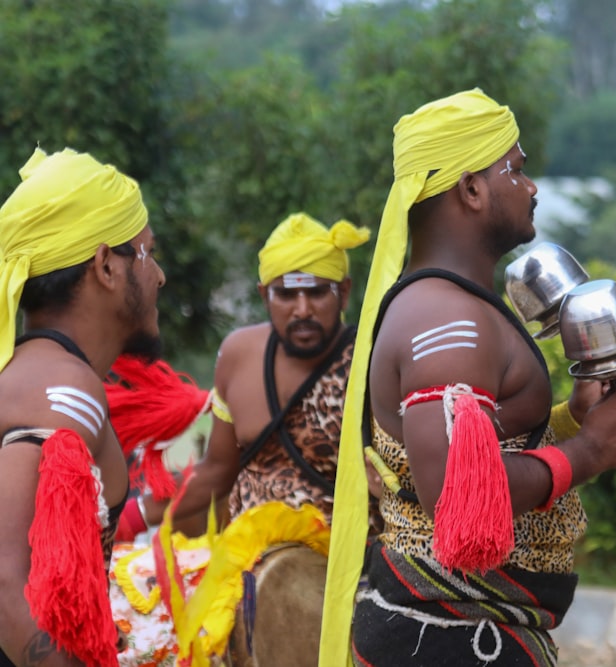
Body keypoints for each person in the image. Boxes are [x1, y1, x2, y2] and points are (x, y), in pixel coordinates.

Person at [318, 89, 616, 666]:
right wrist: (590, 450)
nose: (532, 187)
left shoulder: (453, 307)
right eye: (516, 170)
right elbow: (453, 491)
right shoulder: (449, 320)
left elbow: (479, 446)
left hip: (461, 630)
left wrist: (574, 417)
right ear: (471, 189)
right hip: (450, 637)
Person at [114, 211, 378, 539]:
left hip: (353, 569)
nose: (302, 309)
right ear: (263, 295)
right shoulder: (239, 356)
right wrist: (131, 518)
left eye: (317, 292)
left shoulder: (372, 361)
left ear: (345, 293)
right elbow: (216, 471)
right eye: (285, 294)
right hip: (249, 567)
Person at [0, 147, 165, 667]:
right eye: (146, 252)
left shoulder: (40, 374)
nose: (158, 275)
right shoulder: (64, 390)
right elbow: (7, 580)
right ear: (105, 266)